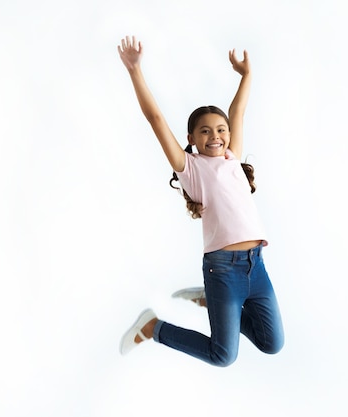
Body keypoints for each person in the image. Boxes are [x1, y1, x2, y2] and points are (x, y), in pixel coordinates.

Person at [117, 35, 284, 367]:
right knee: (223, 356)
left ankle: (212, 302)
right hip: (222, 269)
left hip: (257, 266)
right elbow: (156, 119)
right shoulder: (190, 168)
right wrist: (135, 70)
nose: (216, 136)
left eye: (221, 130)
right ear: (191, 139)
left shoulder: (232, 158)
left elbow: (239, 110)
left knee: (272, 343)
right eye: (205, 131)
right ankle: (153, 328)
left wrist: (246, 75)